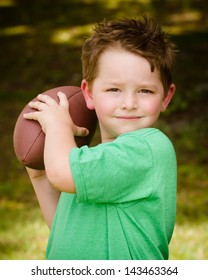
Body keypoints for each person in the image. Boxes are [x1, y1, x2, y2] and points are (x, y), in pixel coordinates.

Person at [24, 16, 177, 260]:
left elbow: (63, 174)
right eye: (114, 89)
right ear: (89, 92)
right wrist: (39, 175)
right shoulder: (92, 163)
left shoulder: (149, 149)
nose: (129, 104)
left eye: (145, 91)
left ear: (166, 97)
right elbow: (68, 233)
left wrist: (57, 127)